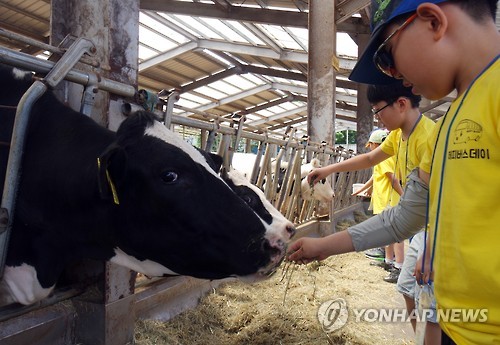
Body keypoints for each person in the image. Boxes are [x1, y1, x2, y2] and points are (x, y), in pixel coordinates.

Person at [288, 1, 500, 344]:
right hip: (456, 324)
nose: (394, 76)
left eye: (387, 56)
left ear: (433, 21)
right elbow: (408, 216)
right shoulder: (450, 122)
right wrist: (324, 246)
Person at [352, 129, 404, 283]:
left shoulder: (384, 158)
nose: (370, 148)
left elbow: (393, 179)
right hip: (383, 200)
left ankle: (399, 267)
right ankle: (388, 262)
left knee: (396, 235)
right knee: (387, 233)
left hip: (389, 201)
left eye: (371, 145)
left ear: (377, 144)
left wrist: (404, 196)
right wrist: (362, 190)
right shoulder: (384, 159)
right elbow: (376, 177)